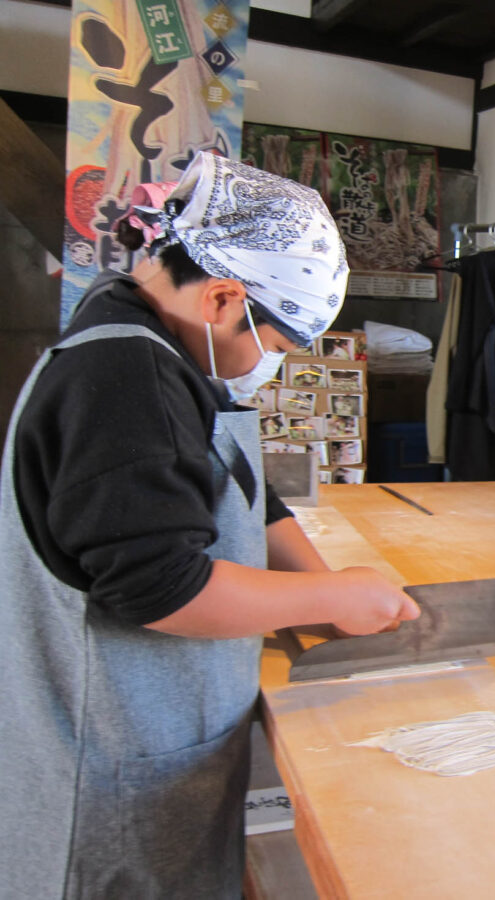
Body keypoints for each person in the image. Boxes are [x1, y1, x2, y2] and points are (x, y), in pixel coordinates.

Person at [0, 152, 420, 898]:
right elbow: (161, 587)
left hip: (159, 735)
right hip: (113, 763)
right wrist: (333, 598)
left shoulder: (157, 340)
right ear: (224, 298)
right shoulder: (123, 377)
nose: (271, 368)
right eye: (277, 348)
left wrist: (320, 585)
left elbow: (244, 493)